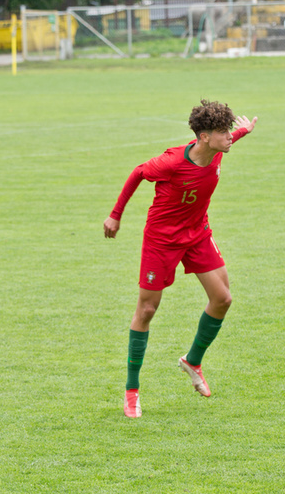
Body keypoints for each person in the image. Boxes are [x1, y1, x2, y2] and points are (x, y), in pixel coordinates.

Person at [103, 99, 257, 418]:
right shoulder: (171, 162)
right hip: (162, 239)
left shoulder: (215, 151)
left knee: (222, 299)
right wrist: (115, 216)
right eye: (222, 132)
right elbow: (137, 173)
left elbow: (231, 137)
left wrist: (243, 130)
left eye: (229, 131)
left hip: (197, 233)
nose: (229, 137)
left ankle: (192, 361)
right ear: (202, 136)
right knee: (146, 309)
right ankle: (132, 391)